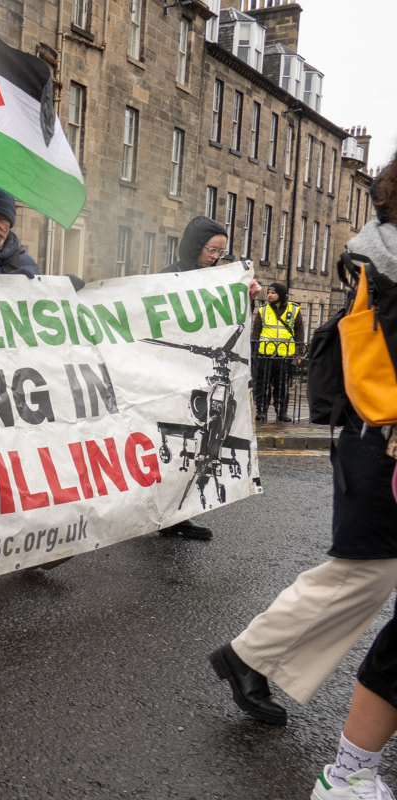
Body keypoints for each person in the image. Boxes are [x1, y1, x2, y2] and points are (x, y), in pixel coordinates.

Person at [209, 159, 397, 741]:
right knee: (364, 573)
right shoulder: (387, 264)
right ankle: (249, 656)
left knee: (368, 572)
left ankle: (251, 657)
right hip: (381, 438)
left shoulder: (380, 255)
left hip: (371, 435)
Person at [156, 215, 260, 541]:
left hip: (199, 377)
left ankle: (178, 515)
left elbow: (228, 324)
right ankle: (158, 514)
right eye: (211, 250)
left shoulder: (217, 279)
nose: (215, 257)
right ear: (194, 245)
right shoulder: (167, 276)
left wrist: (245, 299)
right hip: (169, 376)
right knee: (170, 448)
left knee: (197, 443)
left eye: (220, 252)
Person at [252, 282, 303, 423]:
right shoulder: (263, 310)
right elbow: (256, 333)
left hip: (284, 355)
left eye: (273, 293)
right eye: (268, 292)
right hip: (265, 354)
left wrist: (299, 352)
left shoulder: (294, 310)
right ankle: (261, 411)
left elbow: (299, 332)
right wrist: (254, 352)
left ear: (281, 294)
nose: (269, 295)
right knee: (262, 385)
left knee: (282, 386)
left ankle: (281, 412)